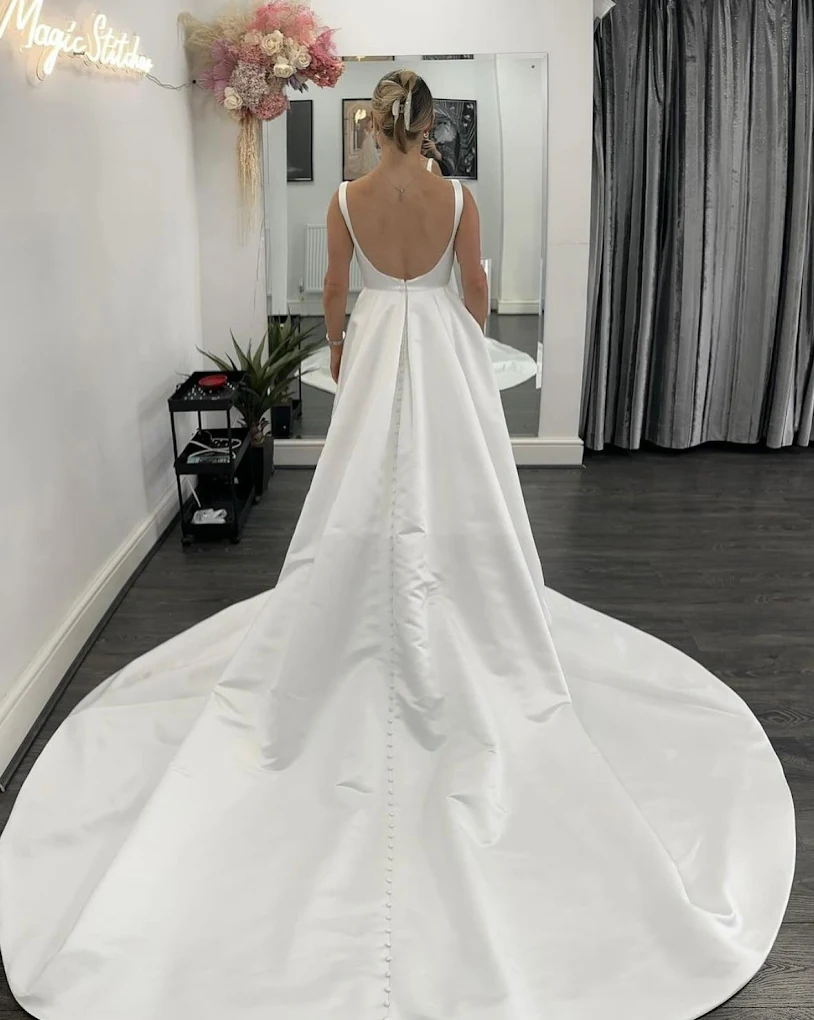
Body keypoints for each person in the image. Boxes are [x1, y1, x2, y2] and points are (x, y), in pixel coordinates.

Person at [0, 69, 795, 1020]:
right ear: (431, 127)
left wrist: (344, 348)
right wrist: (459, 337)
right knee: (457, 488)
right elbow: (478, 290)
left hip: (377, 344)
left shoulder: (345, 198)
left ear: (376, 126)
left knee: (364, 485)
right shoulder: (458, 195)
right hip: (444, 349)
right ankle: (457, 597)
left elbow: (333, 296)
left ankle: (367, 597)